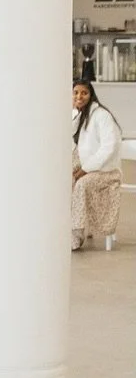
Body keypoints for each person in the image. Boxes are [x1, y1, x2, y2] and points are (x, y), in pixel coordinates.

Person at [72, 81, 124, 251]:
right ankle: (66, 227)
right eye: (76, 93)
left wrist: (86, 169)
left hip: (107, 172)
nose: (79, 96)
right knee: (65, 178)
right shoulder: (81, 115)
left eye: (84, 93)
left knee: (80, 184)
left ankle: (76, 235)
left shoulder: (101, 115)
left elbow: (110, 146)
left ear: (91, 95)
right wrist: (74, 112)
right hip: (91, 168)